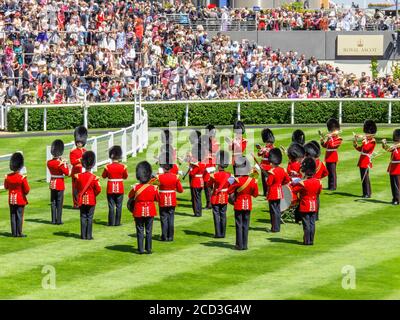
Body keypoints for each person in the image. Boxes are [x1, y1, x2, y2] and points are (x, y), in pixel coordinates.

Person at [128, 161, 159, 254]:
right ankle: (148, 249)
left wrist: (134, 187)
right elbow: (157, 198)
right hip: (150, 210)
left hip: (138, 210)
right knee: (149, 230)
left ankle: (140, 249)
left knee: (140, 230)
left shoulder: (136, 188)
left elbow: (130, 196)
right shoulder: (153, 188)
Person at [228, 156, 258, 250]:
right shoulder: (252, 181)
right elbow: (255, 194)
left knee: (239, 224)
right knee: (246, 225)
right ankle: (245, 245)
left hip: (239, 204)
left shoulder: (237, 180)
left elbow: (229, 191)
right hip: (248, 204)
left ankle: (239, 245)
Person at [292, 157, 322, 245]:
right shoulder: (318, 182)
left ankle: (306, 241)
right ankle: (311, 240)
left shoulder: (303, 183)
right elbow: (318, 192)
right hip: (314, 204)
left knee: (306, 224)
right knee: (312, 223)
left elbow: (294, 190)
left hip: (305, 205)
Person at [157, 151, 184, 241]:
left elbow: (153, 186)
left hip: (162, 199)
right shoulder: (175, 177)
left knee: (163, 218)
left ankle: (164, 236)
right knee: (171, 218)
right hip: (172, 199)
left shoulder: (159, 177)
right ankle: (170, 236)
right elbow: (180, 190)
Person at [75, 151, 102, 240]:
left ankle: (83, 235)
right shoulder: (94, 178)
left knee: (83, 217)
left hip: (82, 200)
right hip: (91, 200)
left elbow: (77, 188)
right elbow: (98, 190)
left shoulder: (79, 176)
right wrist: (93, 195)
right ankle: (89, 236)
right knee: (90, 218)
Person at [4, 152, 30, 237]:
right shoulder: (22, 177)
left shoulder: (8, 177)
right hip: (19, 199)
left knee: (12, 215)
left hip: (11, 199)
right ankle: (19, 233)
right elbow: (26, 190)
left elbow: (6, 187)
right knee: (19, 216)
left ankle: (14, 233)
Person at [101, 146, 128, 226]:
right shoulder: (123, 166)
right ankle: (117, 222)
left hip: (110, 188)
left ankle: (111, 222)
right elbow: (125, 177)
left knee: (111, 206)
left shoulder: (108, 167)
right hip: (119, 188)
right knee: (119, 206)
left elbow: (103, 176)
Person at [266, 148, 290, 233]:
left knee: (273, 211)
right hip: (280, 191)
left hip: (273, 192)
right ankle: (277, 227)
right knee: (277, 209)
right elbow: (287, 180)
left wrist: (267, 178)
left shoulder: (272, 171)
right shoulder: (282, 169)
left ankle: (274, 228)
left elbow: (269, 183)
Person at [209, 150, 232, 238]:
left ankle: (218, 233)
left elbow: (209, 184)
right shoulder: (229, 175)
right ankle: (223, 233)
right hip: (225, 196)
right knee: (223, 214)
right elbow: (231, 185)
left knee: (216, 215)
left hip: (216, 196)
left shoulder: (215, 175)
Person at [47, 139, 70, 225]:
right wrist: (65, 163)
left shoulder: (49, 162)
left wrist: (61, 161)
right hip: (59, 183)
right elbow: (67, 173)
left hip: (52, 182)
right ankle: (58, 220)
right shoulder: (60, 163)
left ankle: (53, 220)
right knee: (59, 202)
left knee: (53, 202)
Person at [353, 120, 377, 198]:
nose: (366, 134)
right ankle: (365, 192)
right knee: (363, 178)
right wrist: (355, 144)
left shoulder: (373, 141)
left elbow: (366, 148)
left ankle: (367, 193)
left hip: (366, 160)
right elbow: (361, 149)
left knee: (365, 178)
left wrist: (364, 140)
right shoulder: (368, 140)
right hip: (362, 159)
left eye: (367, 133)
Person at [304, 141, 328, 220]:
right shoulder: (320, 163)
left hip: (309, 182)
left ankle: (309, 215)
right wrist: (319, 178)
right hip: (317, 183)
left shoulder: (309, 162)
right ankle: (316, 216)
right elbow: (326, 173)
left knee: (307, 199)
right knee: (316, 199)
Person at [188, 130, 208, 217]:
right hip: (201, 182)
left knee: (196, 198)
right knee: (198, 198)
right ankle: (199, 212)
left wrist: (190, 166)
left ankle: (197, 212)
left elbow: (192, 174)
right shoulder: (202, 164)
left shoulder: (196, 165)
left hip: (195, 182)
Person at [320, 118, 342, 191]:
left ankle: (333, 186)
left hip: (333, 156)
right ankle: (330, 185)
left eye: (333, 130)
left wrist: (331, 138)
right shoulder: (330, 138)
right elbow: (325, 146)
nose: (331, 132)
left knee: (332, 172)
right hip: (328, 156)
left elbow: (333, 146)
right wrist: (322, 141)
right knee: (328, 172)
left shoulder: (339, 138)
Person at [286, 142, 305, 224]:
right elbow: (288, 170)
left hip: (298, 181)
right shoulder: (290, 162)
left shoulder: (301, 164)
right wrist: (292, 172)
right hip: (291, 181)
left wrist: (297, 174)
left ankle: (298, 216)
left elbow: (302, 174)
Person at [70, 126, 88, 209]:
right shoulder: (73, 152)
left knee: (83, 187)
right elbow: (72, 162)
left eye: (80, 142)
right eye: (78, 142)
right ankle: (76, 203)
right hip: (76, 171)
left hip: (84, 171)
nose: (79, 144)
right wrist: (79, 160)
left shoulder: (85, 151)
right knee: (75, 189)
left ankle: (82, 202)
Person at [382, 129, 400, 205]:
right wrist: (384, 144)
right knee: (393, 184)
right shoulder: (394, 147)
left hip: (398, 167)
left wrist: (396, 146)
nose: (396, 142)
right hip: (392, 167)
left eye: (397, 140)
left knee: (397, 184)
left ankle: (397, 199)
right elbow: (387, 149)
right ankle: (394, 198)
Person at [204, 124, 219, 210]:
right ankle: (209, 202)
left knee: (209, 185)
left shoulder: (214, 142)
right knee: (207, 186)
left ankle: (210, 203)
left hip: (210, 166)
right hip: (206, 165)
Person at [257, 128, 275, 196]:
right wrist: (260, 151)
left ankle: (268, 192)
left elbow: (270, 156)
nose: (266, 143)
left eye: (268, 142)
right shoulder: (265, 147)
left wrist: (266, 151)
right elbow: (259, 155)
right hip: (262, 165)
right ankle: (265, 192)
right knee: (263, 180)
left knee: (267, 180)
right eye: (266, 142)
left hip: (268, 166)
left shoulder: (272, 148)